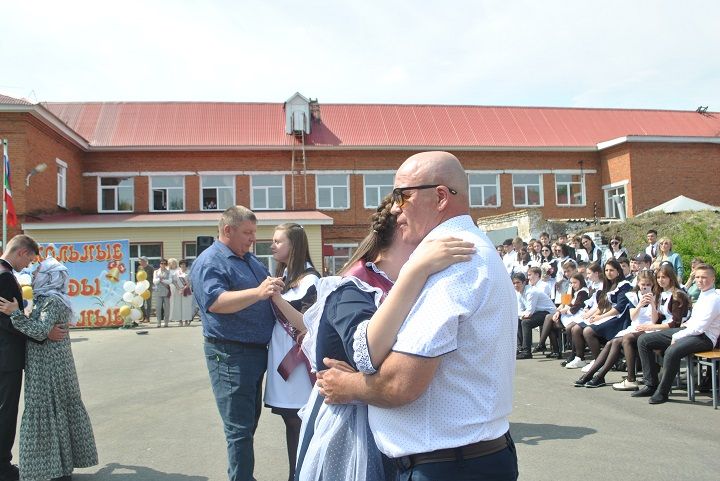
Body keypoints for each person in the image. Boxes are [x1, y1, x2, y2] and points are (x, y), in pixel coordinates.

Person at [317, 151, 519, 481]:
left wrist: (347, 384)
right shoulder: (459, 253)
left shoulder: (453, 263)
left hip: (448, 464)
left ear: (440, 197)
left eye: (403, 195)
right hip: (460, 458)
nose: (395, 207)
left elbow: (400, 384)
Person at [295, 196, 474, 481]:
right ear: (405, 231)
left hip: (390, 418)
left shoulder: (412, 284)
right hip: (352, 428)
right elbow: (365, 355)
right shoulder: (354, 286)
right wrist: (416, 271)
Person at [190, 206, 284, 481]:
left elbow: (267, 290)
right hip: (230, 354)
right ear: (227, 230)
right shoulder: (211, 262)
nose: (253, 238)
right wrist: (258, 292)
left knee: (247, 424)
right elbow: (216, 303)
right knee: (239, 429)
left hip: (253, 353)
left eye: (254, 232)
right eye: (247, 232)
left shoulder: (249, 260)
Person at [0, 257, 98, 481]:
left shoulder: (51, 301)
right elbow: (43, 329)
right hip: (48, 364)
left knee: (49, 412)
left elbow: (40, 330)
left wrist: (14, 312)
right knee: (54, 413)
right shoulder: (47, 299)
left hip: (49, 368)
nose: (33, 277)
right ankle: (59, 469)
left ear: (49, 278)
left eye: (37, 274)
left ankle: (56, 471)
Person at [0, 235, 66, 481]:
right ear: (22, 252)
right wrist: (42, 333)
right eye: (29, 260)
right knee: (6, 413)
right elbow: (6, 320)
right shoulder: (5, 277)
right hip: (7, 357)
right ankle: (3, 468)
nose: (28, 267)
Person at [263, 223, 320, 481]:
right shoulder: (282, 276)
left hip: (298, 361)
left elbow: (306, 323)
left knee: (301, 420)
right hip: (280, 353)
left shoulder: (311, 279)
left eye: (278, 241)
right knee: (290, 419)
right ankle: (295, 474)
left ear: (294, 245)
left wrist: (276, 298)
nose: (272, 245)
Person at [633, 263, 720, 404]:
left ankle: (662, 392)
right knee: (644, 340)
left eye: (704, 277)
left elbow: (700, 328)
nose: (699, 280)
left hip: (705, 338)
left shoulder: (714, 299)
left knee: (672, 351)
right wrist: (682, 329)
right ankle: (651, 384)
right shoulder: (704, 295)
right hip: (690, 331)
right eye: (697, 277)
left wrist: (677, 335)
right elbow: (694, 322)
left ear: (713, 279)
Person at [573, 270, 661, 388]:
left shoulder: (656, 296)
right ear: (638, 284)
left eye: (648, 285)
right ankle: (593, 375)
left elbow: (654, 320)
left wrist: (652, 304)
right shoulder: (633, 295)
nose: (645, 287)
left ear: (653, 285)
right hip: (635, 326)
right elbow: (633, 317)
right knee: (611, 343)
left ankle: (602, 376)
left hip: (650, 328)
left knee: (616, 342)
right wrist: (640, 304)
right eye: (643, 284)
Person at [612, 264, 689, 391]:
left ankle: (647, 382)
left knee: (640, 339)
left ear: (671, 278)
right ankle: (647, 379)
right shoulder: (661, 294)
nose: (660, 280)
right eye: (658, 277)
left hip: (675, 331)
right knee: (628, 339)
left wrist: (652, 326)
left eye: (664, 277)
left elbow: (675, 323)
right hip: (662, 329)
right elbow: (657, 317)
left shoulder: (677, 295)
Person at [515, 270, 557, 359]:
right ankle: (520, 348)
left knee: (526, 322)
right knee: (518, 320)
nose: (516, 285)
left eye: (518, 282)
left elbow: (529, 312)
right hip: (538, 312)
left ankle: (527, 352)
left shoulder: (531, 292)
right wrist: (522, 315)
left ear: (524, 282)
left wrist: (522, 315)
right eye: (514, 283)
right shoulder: (519, 293)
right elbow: (519, 311)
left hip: (548, 312)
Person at [169, 259, 193, 326]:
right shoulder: (177, 272)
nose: (183, 265)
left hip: (187, 290)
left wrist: (184, 288)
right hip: (178, 291)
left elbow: (190, 282)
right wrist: (179, 289)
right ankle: (180, 321)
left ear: (186, 265)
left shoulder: (189, 272)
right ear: (179, 265)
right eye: (181, 264)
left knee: (186, 306)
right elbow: (174, 281)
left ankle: (186, 320)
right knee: (178, 306)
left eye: (184, 264)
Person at [153, 259, 171, 327]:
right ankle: (158, 322)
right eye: (161, 263)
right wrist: (159, 279)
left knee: (167, 308)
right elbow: (154, 281)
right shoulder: (156, 271)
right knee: (158, 307)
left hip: (166, 291)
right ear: (159, 264)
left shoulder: (168, 272)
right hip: (158, 291)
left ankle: (166, 322)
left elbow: (170, 281)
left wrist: (161, 280)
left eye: (164, 263)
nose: (163, 265)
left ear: (166, 264)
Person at [138, 256, 154, 323]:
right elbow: (138, 276)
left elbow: (153, 277)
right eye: (140, 260)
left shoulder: (150, 268)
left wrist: (153, 286)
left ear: (145, 261)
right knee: (141, 303)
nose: (140, 261)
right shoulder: (139, 268)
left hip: (148, 287)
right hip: (141, 287)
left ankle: (148, 318)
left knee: (148, 303)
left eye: (141, 260)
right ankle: (144, 316)